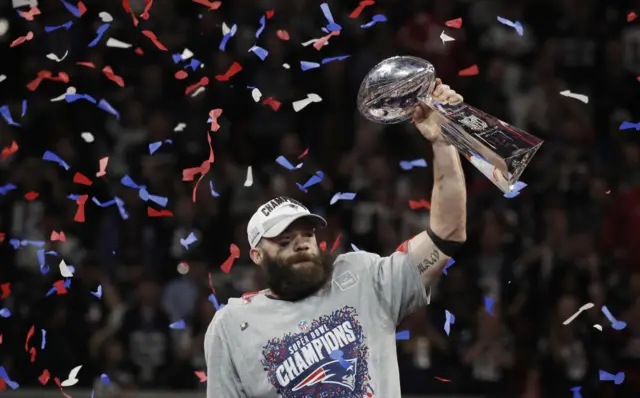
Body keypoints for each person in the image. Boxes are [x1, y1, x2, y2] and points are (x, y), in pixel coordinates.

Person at [204, 79, 468, 397]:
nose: (301, 243)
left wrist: (443, 142)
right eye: (283, 239)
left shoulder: (363, 277)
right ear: (257, 255)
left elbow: (447, 232)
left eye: (306, 234)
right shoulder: (233, 324)